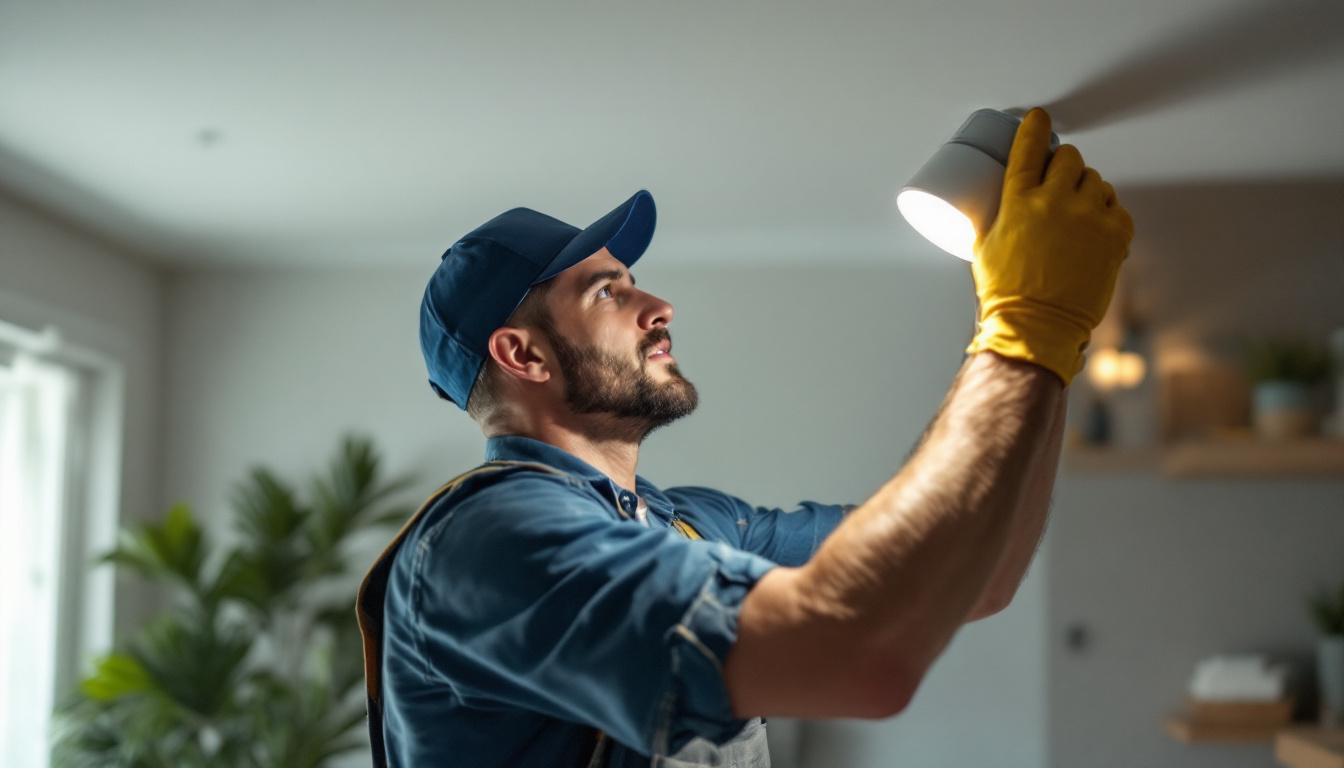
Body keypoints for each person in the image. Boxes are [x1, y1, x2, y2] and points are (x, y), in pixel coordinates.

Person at [356, 107, 1133, 767]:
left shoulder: (688, 526)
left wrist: (1053, 347)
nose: (657, 304)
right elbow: (866, 655)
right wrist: (1021, 331)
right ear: (521, 354)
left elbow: (974, 573)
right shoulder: (490, 543)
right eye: (609, 291)